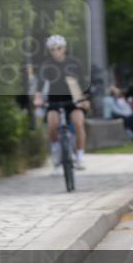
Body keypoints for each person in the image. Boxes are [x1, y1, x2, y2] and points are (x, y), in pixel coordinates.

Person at [34, 35, 89, 171]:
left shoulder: (74, 63)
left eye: (58, 48)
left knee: (79, 123)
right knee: (52, 125)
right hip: (54, 99)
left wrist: (85, 99)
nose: (56, 51)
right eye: (52, 49)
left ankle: (80, 156)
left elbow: (83, 83)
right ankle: (56, 149)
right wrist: (38, 98)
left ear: (64, 48)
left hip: (73, 99)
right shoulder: (46, 65)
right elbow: (40, 83)